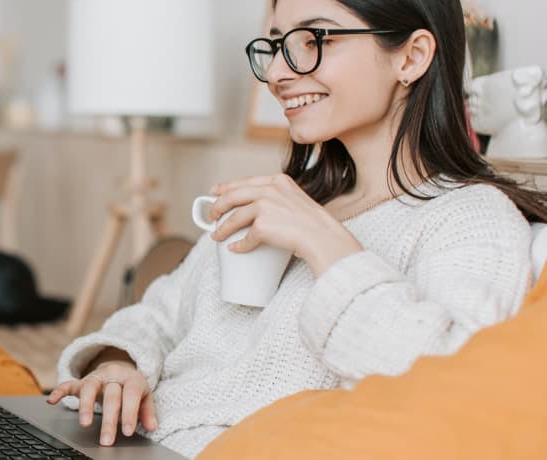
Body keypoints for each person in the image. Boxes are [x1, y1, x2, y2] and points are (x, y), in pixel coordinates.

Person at [47, 0, 547, 457]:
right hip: (128, 442)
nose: (279, 73)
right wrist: (118, 363)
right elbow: (158, 312)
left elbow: (449, 387)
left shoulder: (469, 218)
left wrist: (324, 242)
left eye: (315, 41)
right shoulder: (291, 196)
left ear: (411, 57)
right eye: (277, 45)